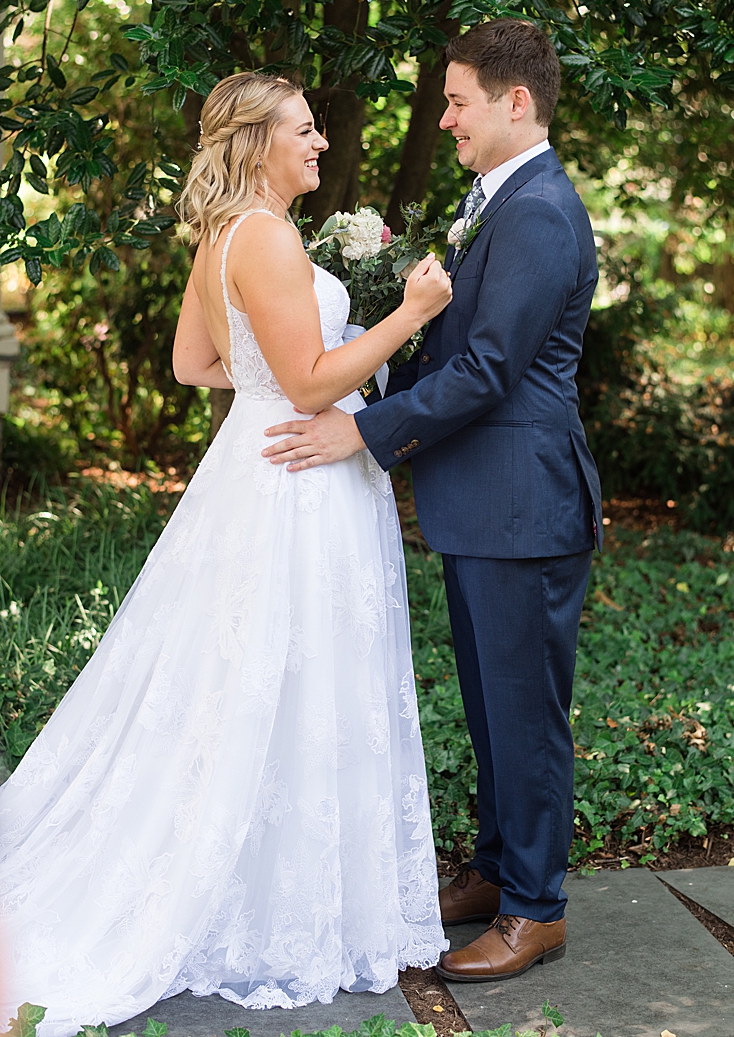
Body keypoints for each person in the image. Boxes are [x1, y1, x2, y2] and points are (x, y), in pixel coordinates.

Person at [0, 71, 454, 1034]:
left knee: (247, 677)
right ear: (256, 142)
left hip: (251, 470)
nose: (322, 141)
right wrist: (410, 314)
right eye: (304, 128)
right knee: (295, 674)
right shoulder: (273, 237)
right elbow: (308, 380)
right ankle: (282, 902)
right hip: (298, 481)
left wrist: (266, 380)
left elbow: (192, 364)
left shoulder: (221, 237)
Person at [259, 19, 602, 983]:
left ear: (515, 102)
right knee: (496, 707)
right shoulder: (495, 199)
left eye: (457, 101)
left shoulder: (536, 212)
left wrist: (361, 430)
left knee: (526, 713)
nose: (444, 117)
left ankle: (536, 909)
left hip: (522, 504)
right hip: (485, 501)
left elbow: (491, 369)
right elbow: (454, 346)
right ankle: (499, 873)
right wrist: (363, 374)